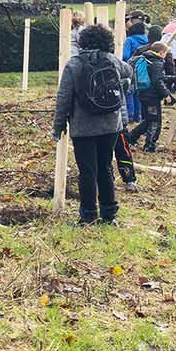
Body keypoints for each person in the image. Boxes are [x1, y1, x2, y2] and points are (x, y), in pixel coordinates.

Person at [54, 22, 133, 226]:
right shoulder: (112, 60)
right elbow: (129, 71)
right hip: (110, 125)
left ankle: (88, 215)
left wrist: (58, 126)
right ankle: (109, 215)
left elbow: (64, 97)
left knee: (87, 172)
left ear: (82, 42)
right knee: (105, 168)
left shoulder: (74, 64)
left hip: (83, 127)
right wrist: (124, 84)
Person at [123, 36, 175, 152]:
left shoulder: (147, 58)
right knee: (155, 121)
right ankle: (149, 145)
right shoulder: (156, 62)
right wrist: (166, 94)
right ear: (161, 52)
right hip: (152, 96)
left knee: (148, 119)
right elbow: (157, 81)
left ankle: (131, 137)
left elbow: (157, 77)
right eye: (165, 53)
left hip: (143, 94)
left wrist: (175, 78)